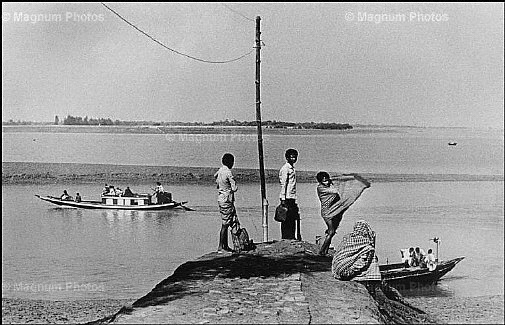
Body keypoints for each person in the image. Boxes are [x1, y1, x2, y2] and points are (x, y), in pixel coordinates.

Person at [316, 171, 371, 256]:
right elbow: (335, 191)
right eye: (324, 181)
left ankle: (325, 251)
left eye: (327, 180)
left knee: (332, 232)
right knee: (331, 232)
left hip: (334, 210)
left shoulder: (328, 185)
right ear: (320, 182)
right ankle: (321, 252)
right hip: (327, 212)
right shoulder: (321, 188)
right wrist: (335, 181)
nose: (326, 182)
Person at [331, 220, 381, 285]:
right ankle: (370, 277)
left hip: (337, 271)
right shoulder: (365, 242)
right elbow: (364, 261)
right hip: (346, 273)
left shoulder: (347, 238)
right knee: (370, 251)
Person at [214, 153, 238, 253]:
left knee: (227, 223)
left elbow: (215, 178)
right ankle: (221, 247)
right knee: (225, 224)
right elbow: (234, 188)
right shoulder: (228, 172)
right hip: (227, 200)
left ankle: (225, 246)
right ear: (230, 162)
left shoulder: (219, 171)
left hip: (221, 198)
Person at [279, 148, 301, 240]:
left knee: (292, 217)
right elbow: (284, 184)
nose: (293, 159)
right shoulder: (286, 169)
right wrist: (283, 198)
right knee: (286, 218)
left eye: (295, 157)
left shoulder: (292, 168)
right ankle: (286, 237)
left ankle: (292, 236)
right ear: (287, 158)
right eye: (291, 157)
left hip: (291, 196)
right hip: (287, 197)